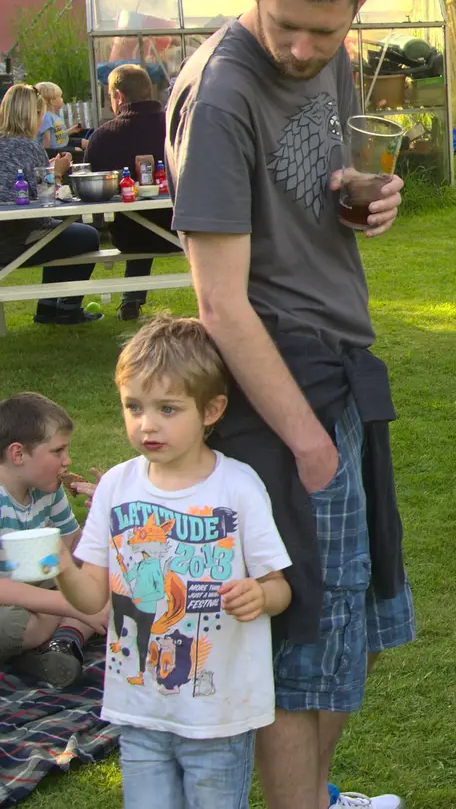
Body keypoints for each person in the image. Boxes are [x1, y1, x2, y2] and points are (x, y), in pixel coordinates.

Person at [165, 0, 410, 809]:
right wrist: (306, 440)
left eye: (325, 29)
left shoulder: (331, 56)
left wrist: (363, 194)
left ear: (358, 1)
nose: (304, 50)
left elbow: (321, 177)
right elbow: (219, 303)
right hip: (280, 388)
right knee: (301, 636)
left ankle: (313, 792)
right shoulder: (221, 95)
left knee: (362, 619)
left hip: (344, 365)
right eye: (286, 26)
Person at [56, 316, 293, 809]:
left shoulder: (238, 486)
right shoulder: (116, 489)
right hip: (138, 709)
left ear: (212, 409)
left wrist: (260, 594)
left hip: (218, 714)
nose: (148, 424)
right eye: (134, 407)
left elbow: (279, 587)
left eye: (168, 408)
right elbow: (90, 597)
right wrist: (59, 564)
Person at [0, 393, 105, 689]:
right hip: (9, 600)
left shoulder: (48, 489)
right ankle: (53, 639)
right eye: (58, 451)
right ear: (18, 454)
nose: (67, 461)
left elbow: (75, 553)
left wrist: (104, 514)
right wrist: (70, 606)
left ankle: (62, 644)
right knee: (7, 625)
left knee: (107, 582)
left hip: (36, 587)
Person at [0, 84, 100, 325]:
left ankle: (47, 308)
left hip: (10, 235)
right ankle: (68, 307)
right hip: (16, 240)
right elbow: (47, 201)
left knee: (57, 230)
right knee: (86, 236)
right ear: (34, 115)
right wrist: (56, 173)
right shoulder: (30, 147)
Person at [84, 64, 174, 321]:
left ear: (119, 96)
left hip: (129, 235)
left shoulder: (102, 138)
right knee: (150, 214)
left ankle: (131, 299)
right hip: (181, 228)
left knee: (136, 217)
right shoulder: (177, 127)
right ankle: (131, 299)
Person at [33, 82, 72, 152]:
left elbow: (57, 135)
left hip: (62, 147)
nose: (62, 99)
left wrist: (72, 130)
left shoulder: (53, 116)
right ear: (52, 101)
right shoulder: (47, 117)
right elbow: (46, 139)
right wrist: (48, 155)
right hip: (55, 151)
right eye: (60, 97)